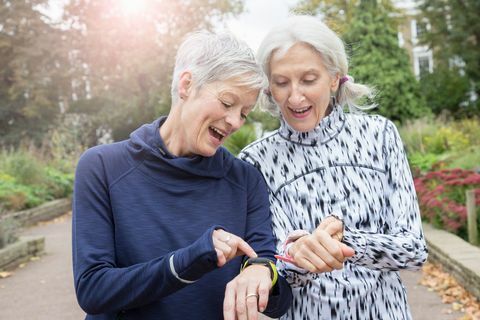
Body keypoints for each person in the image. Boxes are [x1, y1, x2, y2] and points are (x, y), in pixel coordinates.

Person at [72, 30, 292, 320]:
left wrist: (263, 275)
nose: (235, 122)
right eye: (228, 103)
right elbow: (93, 290)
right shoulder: (102, 166)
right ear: (187, 84)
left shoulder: (245, 180)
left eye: (244, 113)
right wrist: (189, 260)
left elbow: (274, 292)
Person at [239, 15, 428, 319]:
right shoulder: (255, 162)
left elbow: (414, 250)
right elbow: (278, 274)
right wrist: (296, 258)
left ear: (334, 76)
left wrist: (345, 241)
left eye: (308, 79)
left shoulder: (379, 135)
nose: (295, 96)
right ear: (269, 88)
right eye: (282, 82)